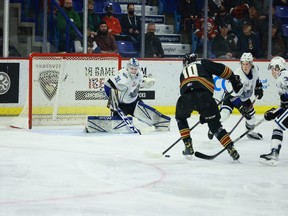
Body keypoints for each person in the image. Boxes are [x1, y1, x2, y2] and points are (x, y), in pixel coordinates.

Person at [175, 53, 244, 160]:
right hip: (205, 98)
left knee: (180, 118)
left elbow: (189, 92)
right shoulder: (203, 63)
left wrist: (200, 111)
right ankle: (231, 148)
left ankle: (188, 145)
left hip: (185, 99)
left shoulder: (182, 73)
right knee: (215, 126)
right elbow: (224, 70)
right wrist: (235, 82)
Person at [207, 52, 264, 140]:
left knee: (252, 119)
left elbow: (257, 80)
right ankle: (213, 127)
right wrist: (241, 108)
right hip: (231, 97)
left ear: (251, 63)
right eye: (243, 63)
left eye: (247, 64)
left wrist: (259, 88)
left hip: (244, 98)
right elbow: (232, 96)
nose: (245, 66)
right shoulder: (237, 76)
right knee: (224, 115)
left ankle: (250, 132)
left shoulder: (255, 69)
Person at [104, 58, 171, 131]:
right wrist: (112, 100)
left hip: (134, 101)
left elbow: (136, 84)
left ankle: (162, 124)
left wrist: (144, 84)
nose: (133, 70)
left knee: (147, 116)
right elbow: (107, 85)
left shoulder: (140, 74)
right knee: (116, 126)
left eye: (135, 68)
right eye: (131, 68)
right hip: (122, 105)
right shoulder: (122, 76)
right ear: (128, 67)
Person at [260, 56, 288, 166]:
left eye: (272, 68)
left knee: (278, 125)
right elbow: (285, 105)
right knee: (278, 123)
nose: (271, 71)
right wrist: (275, 112)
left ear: (277, 68)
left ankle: (274, 153)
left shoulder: (283, 76)